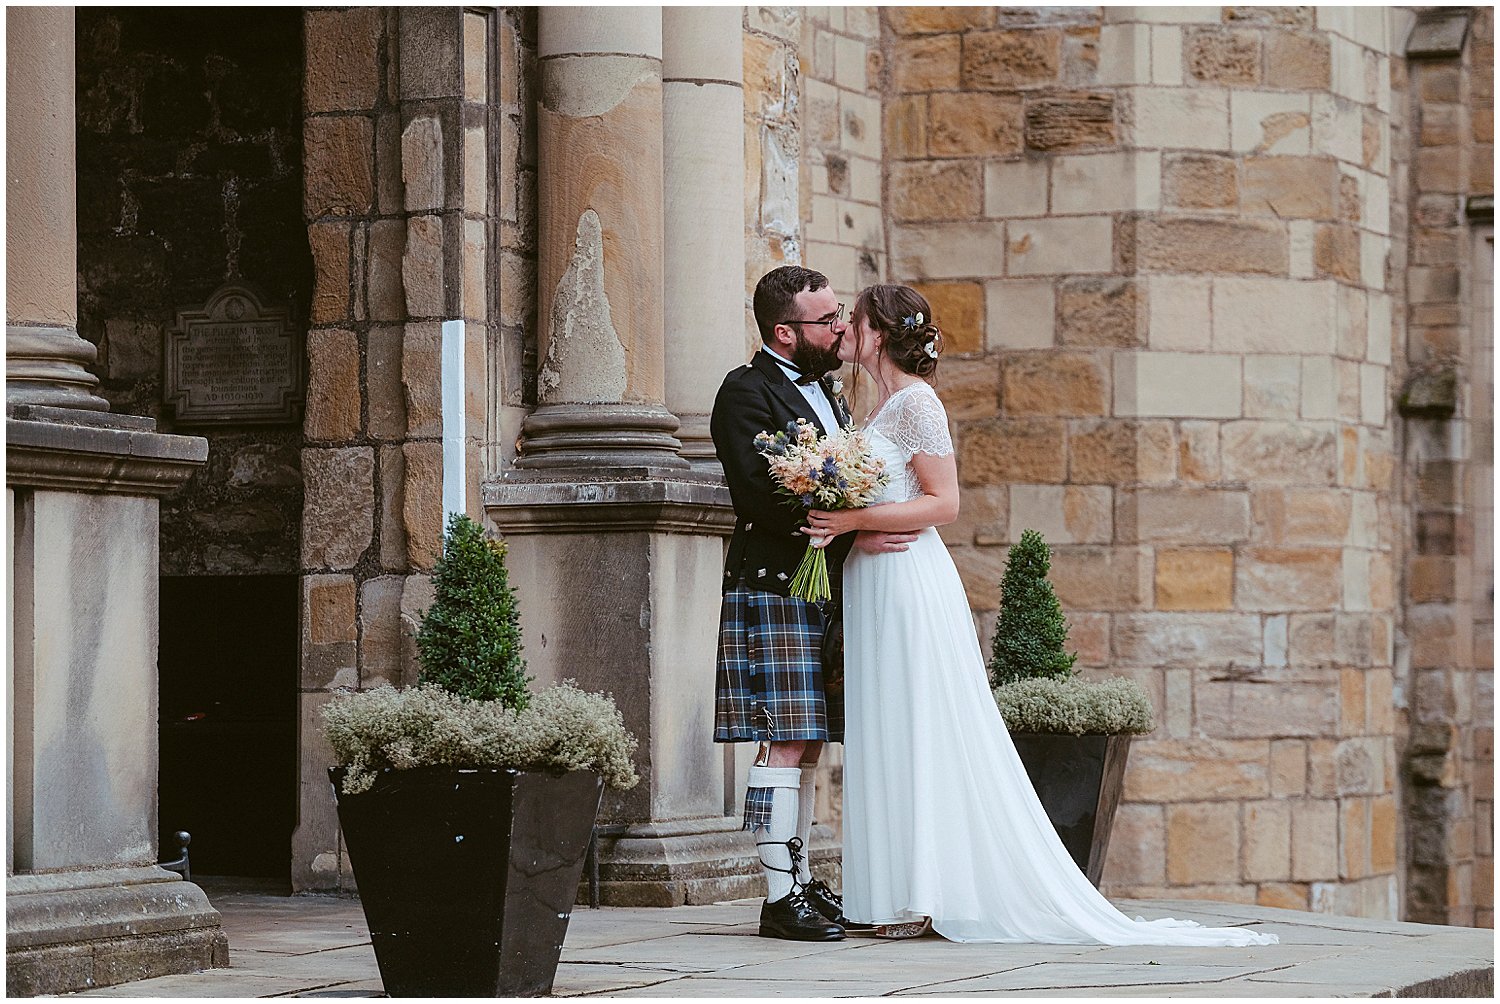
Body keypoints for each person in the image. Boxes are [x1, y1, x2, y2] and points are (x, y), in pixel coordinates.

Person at [801, 284, 1278, 947]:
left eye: (851, 321)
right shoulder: (874, 407)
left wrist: (850, 518)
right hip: (871, 581)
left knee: (918, 726)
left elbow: (944, 503)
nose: (844, 331)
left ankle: (924, 894)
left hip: (908, 582)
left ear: (877, 333)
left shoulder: (917, 404)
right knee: (884, 725)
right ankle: (887, 892)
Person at [709, 265, 918, 942]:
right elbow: (759, 494)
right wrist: (846, 521)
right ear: (784, 332)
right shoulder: (745, 394)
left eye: (838, 318)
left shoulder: (827, 391)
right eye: (827, 321)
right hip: (776, 582)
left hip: (827, 584)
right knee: (786, 737)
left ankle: (797, 881)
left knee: (811, 742)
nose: (839, 329)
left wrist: (859, 527)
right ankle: (776, 897)